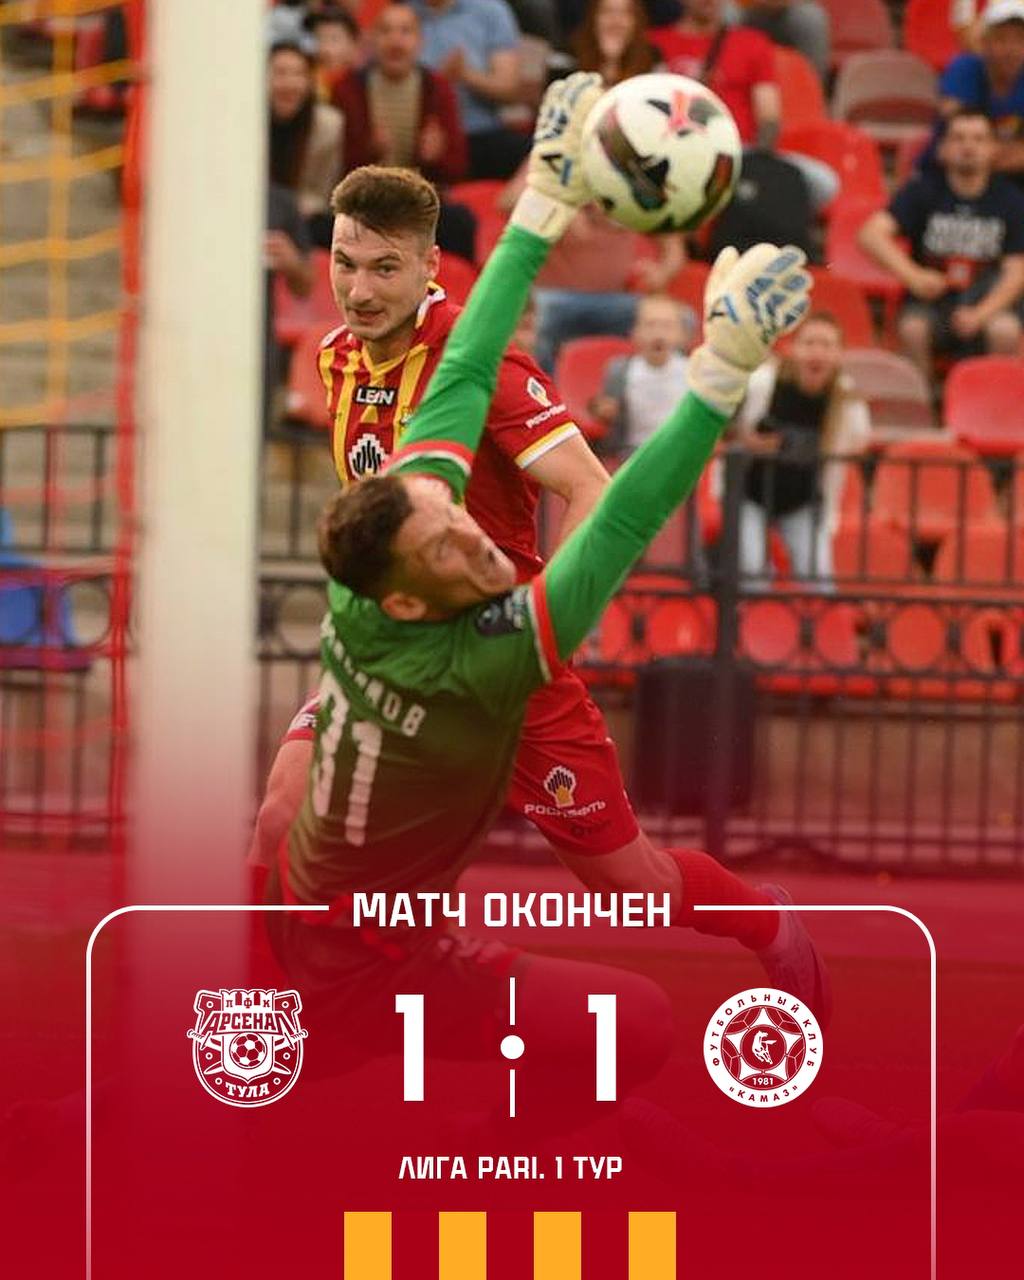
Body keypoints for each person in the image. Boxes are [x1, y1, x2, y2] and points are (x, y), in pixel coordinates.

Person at [262, 75, 822, 1121]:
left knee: (628, 885)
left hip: (504, 656)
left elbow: (596, 493)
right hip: (400, 651)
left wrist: (542, 613)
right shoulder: (337, 359)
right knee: (281, 809)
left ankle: (765, 922)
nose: (358, 288)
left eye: (384, 267)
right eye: (343, 262)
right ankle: (267, 1031)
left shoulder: (484, 369)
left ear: (431, 267)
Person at [859, 108, 1024, 374]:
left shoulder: (1011, 200)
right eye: (959, 138)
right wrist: (913, 276)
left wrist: (981, 314)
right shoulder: (922, 191)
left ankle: (994, 399)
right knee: (913, 330)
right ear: (943, 149)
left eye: (978, 139)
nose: (968, 146)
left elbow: (1017, 270)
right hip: (930, 303)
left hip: (986, 301)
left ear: (993, 149)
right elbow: (870, 234)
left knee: (1005, 331)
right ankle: (921, 398)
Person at [733, 311, 870, 589]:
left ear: (840, 354)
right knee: (752, 576)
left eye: (827, 345)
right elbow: (732, 431)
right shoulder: (763, 383)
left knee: (820, 584)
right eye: (809, 343)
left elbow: (859, 442)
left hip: (802, 502)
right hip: (750, 495)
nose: (817, 353)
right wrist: (750, 442)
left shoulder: (847, 400)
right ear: (793, 348)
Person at [333, 3, 467, 185]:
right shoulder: (347, 89)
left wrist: (437, 156)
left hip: (423, 193)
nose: (395, 42)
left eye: (405, 31)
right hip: (364, 193)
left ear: (420, 41)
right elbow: (335, 167)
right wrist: (370, 152)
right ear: (371, 40)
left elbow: (459, 168)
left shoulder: (439, 88)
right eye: (385, 31)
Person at [412, 0, 532, 179]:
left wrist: (466, 74)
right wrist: (437, 82)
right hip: (419, 139)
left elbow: (509, 89)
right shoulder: (403, 14)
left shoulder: (490, 11)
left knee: (540, 155)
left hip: (480, 134)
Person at [650, 0, 781, 150]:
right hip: (671, 148)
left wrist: (760, 156)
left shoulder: (752, 43)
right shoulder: (653, 43)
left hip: (737, 151)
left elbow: (769, 118)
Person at [590, 293, 695, 452]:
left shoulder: (694, 371)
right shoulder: (620, 370)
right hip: (634, 451)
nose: (658, 333)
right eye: (650, 325)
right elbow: (605, 412)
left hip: (680, 451)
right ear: (635, 332)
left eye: (667, 326)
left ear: (682, 334)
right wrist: (603, 410)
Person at [938, 1, 1024, 187]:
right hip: (952, 180)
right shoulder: (965, 69)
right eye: (1001, 39)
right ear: (984, 43)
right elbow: (955, 146)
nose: (1011, 49)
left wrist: (983, 152)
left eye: (1020, 39)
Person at [268, 40, 345, 246]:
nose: (289, 83)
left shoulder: (329, 125)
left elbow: (322, 194)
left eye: (298, 74)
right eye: (280, 73)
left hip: (304, 216)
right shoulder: (245, 124)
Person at [570, 0, 661, 84]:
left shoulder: (653, 62)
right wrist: (609, 62)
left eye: (626, 12)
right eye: (607, 11)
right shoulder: (569, 61)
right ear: (593, 18)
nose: (616, 20)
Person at [739, 0, 830, 82]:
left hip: (791, 11)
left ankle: (810, 89)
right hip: (748, 9)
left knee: (810, 18)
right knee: (732, 15)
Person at [305, 4, 362, 99]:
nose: (325, 48)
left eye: (334, 39)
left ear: (353, 44)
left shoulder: (363, 84)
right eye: (319, 38)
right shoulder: (306, 82)